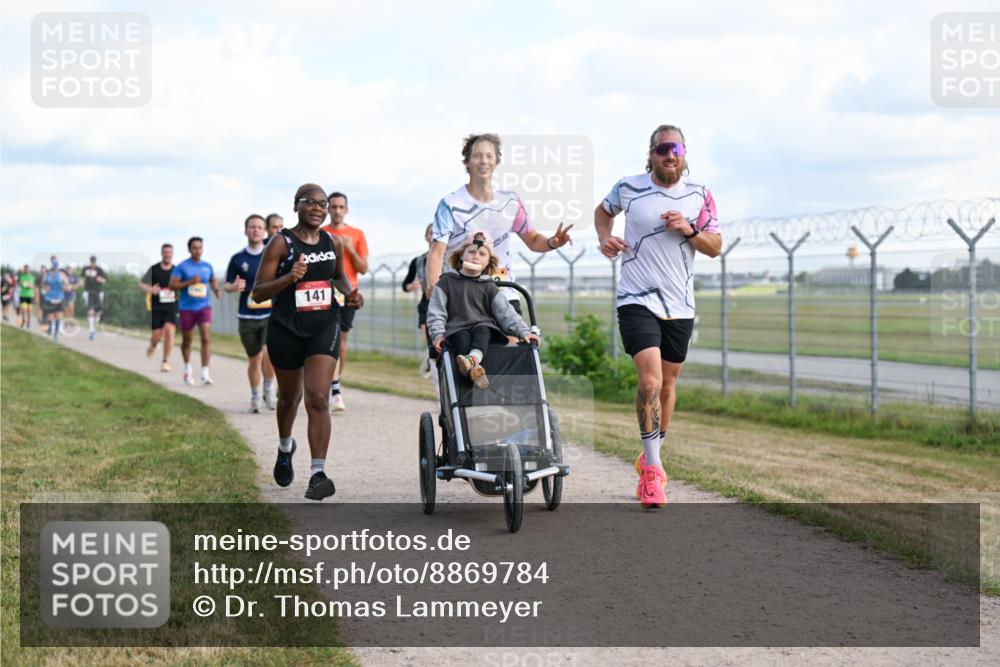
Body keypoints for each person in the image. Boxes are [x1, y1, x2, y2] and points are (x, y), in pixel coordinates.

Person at [596, 124, 722, 509]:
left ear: (684, 154)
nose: (671, 154)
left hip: (679, 304)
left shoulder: (700, 195)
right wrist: (605, 238)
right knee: (649, 383)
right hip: (636, 298)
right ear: (650, 154)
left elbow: (714, 246)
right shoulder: (628, 187)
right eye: (663, 148)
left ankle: (651, 455)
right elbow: (603, 213)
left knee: (667, 387)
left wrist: (689, 229)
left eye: (677, 148)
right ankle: (652, 472)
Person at [251, 183, 363, 501]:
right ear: (296, 206)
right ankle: (285, 447)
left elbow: (338, 277)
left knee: (317, 398)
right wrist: (290, 277)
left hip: (324, 324)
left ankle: (317, 474)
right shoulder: (280, 243)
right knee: (290, 399)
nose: (317, 208)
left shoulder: (332, 241)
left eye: (322, 203)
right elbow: (258, 292)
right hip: (286, 328)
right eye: (310, 202)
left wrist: (350, 294)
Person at [424, 133, 573, 317]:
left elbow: (533, 240)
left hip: (503, 292)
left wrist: (553, 242)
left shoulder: (510, 201)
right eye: (477, 155)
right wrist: (435, 290)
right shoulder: (450, 204)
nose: (483, 161)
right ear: (467, 162)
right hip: (462, 295)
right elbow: (437, 252)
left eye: (489, 156)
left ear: (496, 162)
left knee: (517, 343)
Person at [427, 231, 538, 390]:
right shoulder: (446, 282)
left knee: (483, 330)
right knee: (461, 338)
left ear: (488, 262)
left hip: (483, 327)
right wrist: (437, 334)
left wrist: (524, 332)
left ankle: (471, 361)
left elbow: (506, 313)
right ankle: (474, 373)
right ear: (461, 256)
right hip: (457, 328)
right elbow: (436, 313)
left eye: (482, 253)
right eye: (471, 251)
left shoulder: (489, 286)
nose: (476, 256)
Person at [320, 191, 368, 413]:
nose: (337, 210)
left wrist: (348, 248)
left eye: (341, 207)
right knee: (324, 338)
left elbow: (363, 268)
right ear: (328, 209)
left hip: (348, 293)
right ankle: (332, 387)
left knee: (341, 341)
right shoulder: (321, 233)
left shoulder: (356, 234)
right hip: (324, 293)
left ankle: (335, 383)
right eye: (333, 206)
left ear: (346, 209)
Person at [225, 214, 278, 413]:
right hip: (247, 316)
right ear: (246, 230)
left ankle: (269, 389)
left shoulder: (272, 255)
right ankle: (255, 396)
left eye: (259, 227)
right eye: (252, 227)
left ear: (264, 231)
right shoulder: (238, 259)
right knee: (254, 358)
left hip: (269, 314)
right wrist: (233, 286)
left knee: (268, 352)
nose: (255, 230)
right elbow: (227, 285)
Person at [170, 237, 220, 386]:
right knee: (187, 340)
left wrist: (216, 289)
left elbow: (212, 280)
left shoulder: (207, 266)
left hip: (204, 306)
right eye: (195, 248)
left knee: (206, 337)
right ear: (189, 249)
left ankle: (205, 372)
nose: (198, 250)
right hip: (187, 308)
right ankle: (188, 369)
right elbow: (172, 285)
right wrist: (189, 282)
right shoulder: (182, 267)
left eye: (200, 247)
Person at [403, 224, 434, 383]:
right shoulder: (418, 261)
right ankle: (432, 357)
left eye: (437, 232)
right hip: (426, 304)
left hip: (447, 304)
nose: (433, 235)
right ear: (426, 237)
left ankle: (434, 359)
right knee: (429, 335)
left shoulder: (452, 258)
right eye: (430, 232)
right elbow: (405, 284)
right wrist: (411, 286)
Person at [140, 243, 179, 372]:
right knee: (157, 335)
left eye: (169, 252)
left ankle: (165, 361)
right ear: (162, 253)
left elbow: (182, 285)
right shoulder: (154, 269)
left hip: (172, 306)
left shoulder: (177, 270)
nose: (167, 254)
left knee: (169, 330)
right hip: (157, 307)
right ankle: (153, 345)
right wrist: (151, 289)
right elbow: (141, 284)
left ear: (172, 254)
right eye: (165, 252)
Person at [40, 260, 70, 341]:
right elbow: (43, 284)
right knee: (50, 315)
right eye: (54, 267)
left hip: (59, 297)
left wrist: (64, 286)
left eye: (57, 267)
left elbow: (67, 285)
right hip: (49, 296)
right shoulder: (47, 274)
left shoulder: (62, 275)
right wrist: (45, 287)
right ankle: (50, 330)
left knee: (58, 315)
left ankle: (56, 333)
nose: (56, 268)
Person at [81, 256, 107, 340]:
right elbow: (81, 279)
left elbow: (105, 280)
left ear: (96, 261)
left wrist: (100, 279)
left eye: (94, 261)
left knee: (97, 313)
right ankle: (91, 332)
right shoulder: (85, 269)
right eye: (92, 261)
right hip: (88, 292)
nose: (93, 263)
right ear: (90, 261)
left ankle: (94, 328)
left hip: (98, 292)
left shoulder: (100, 270)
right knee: (90, 311)